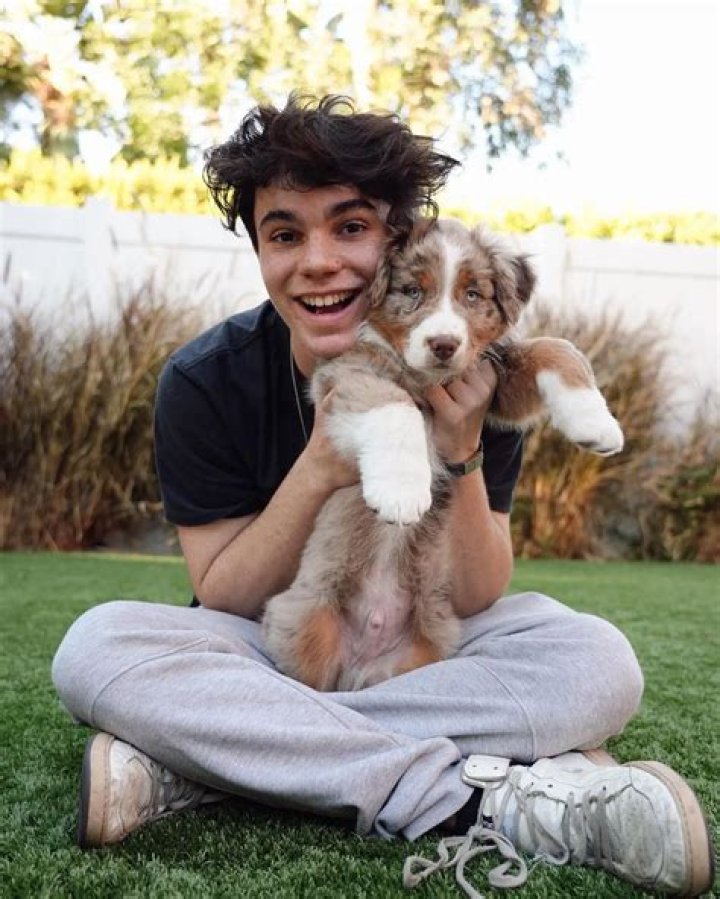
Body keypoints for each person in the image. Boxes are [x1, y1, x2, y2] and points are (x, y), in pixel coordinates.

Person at [51, 95, 713, 897]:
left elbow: (478, 593)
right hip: (274, 644)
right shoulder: (203, 380)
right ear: (259, 250)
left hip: (420, 638)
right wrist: (322, 466)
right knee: (97, 645)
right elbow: (223, 594)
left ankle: (214, 762)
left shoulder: (470, 363)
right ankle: (482, 796)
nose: (319, 261)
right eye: (285, 234)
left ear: (399, 239)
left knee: (598, 659)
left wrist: (461, 448)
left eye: (351, 227)